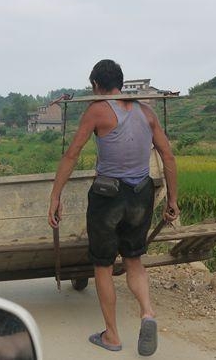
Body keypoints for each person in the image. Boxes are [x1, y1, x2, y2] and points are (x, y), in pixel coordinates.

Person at [47, 59, 179, 356]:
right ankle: (147, 313)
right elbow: (168, 158)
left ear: (96, 85)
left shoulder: (97, 110)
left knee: (103, 266)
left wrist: (56, 195)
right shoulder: (147, 112)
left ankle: (112, 335)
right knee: (134, 260)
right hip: (141, 194)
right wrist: (172, 200)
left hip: (108, 197)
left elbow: (72, 154)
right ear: (120, 82)